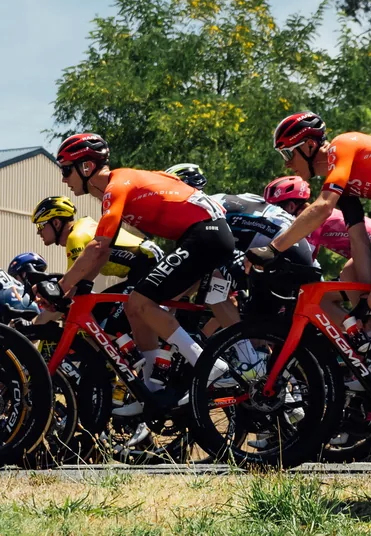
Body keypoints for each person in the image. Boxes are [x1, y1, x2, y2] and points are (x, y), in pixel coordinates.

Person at [49, 133, 235, 412]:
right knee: (136, 307)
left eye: (65, 169)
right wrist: (81, 285)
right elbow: (105, 250)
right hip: (201, 236)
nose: (64, 179)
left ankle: (208, 363)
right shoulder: (117, 188)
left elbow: (98, 247)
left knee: (140, 301)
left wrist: (61, 287)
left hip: (205, 234)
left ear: (86, 168)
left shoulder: (116, 187)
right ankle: (152, 386)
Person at [262, 113, 371, 386]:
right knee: (351, 271)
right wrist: (366, 301)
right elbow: (359, 242)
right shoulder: (341, 182)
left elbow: (322, 207)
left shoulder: (342, 146)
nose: (287, 163)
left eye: (289, 153)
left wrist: (272, 249)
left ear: (309, 146)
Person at [32, 195, 165, 289]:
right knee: (101, 313)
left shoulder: (76, 237)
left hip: (147, 262)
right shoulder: (82, 225)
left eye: (40, 226)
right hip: (145, 263)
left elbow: (72, 285)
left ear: (56, 222)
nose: (38, 232)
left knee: (125, 314)